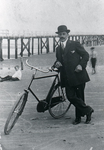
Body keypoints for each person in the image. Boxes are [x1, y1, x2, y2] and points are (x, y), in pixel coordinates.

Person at [51, 25, 94, 125]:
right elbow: (59, 61)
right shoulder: (58, 49)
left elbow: (85, 55)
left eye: (63, 34)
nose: (62, 36)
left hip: (78, 75)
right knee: (70, 97)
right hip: (66, 77)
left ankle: (79, 118)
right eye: (60, 34)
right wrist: (56, 64)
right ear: (58, 36)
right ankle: (88, 110)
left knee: (80, 97)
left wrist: (81, 65)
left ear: (67, 34)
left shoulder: (74, 44)